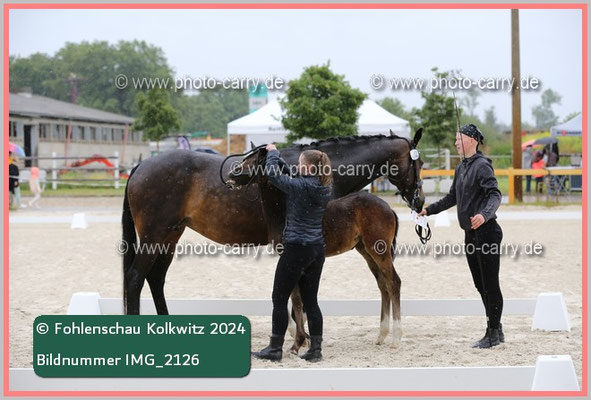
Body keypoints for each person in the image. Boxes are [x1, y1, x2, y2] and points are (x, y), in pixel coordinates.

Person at [418, 124, 504, 349]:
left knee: (490, 284)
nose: (456, 142)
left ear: (472, 140)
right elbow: (451, 198)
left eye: (459, 138)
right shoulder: (462, 168)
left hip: (487, 233)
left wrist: (484, 215)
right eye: (455, 139)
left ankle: (493, 333)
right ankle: (496, 328)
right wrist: (428, 210)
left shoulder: (482, 166)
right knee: (480, 284)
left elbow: (495, 194)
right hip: (470, 234)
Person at [252, 143, 332, 362]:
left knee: (279, 298)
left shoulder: (301, 186)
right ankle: (316, 350)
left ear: (308, 167)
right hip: (317, 249)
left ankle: (274, 348)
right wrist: (280, 161)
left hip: (297, 248)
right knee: (311, 301)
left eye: (299, 163)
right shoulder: (324, 186)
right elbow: (293, 175)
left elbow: (274, 176)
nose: (296, 166)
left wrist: (272, 154)